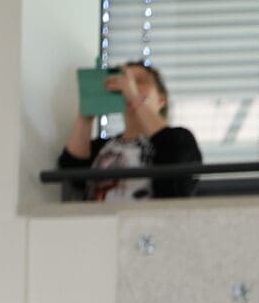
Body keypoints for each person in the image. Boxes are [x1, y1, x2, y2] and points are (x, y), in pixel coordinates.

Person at [59, 61, 202, 201]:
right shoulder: (102, 146)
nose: (128, 86)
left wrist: (134, 97)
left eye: (139, 81)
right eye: (124, 80)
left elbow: (176, 177)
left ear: (161, 100)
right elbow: (73, 172)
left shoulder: (181, 139)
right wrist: (86, 114)